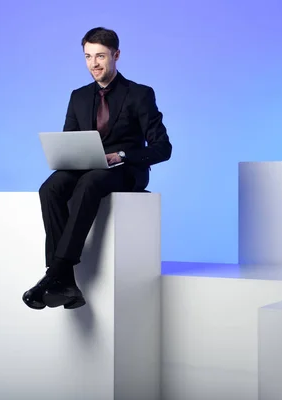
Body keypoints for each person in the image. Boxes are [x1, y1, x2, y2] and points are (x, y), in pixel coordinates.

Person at [22, 27, 172, 310]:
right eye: (88, 57)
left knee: (90, 182)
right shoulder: (78, 96)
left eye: (101, 56)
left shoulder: (139, 94)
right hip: (87, 166)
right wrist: (66, 156)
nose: (94, 64)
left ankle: (56, 272)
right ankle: (65, 281)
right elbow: (71, 141)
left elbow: (163, 148)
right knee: (50, 187)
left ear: (116, 55)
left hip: (125, 170)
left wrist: (122, 155)